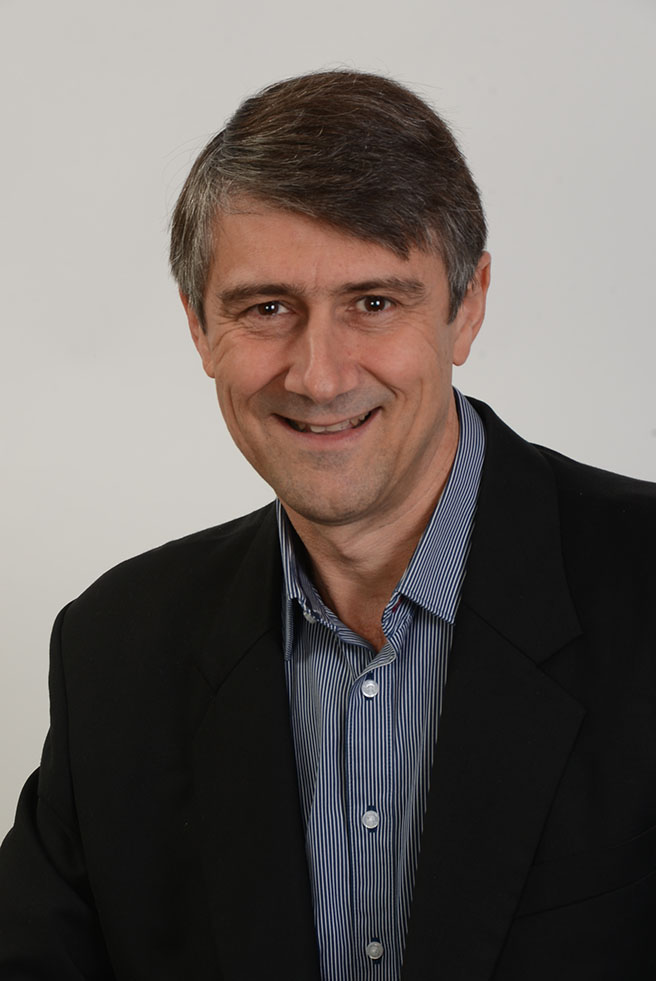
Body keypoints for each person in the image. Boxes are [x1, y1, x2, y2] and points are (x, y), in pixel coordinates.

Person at [1, 69, 655, 981]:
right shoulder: (113, 654)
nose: (317, 373)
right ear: (198, 327)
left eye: (374, 303)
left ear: (466, 307)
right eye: (266, 308)